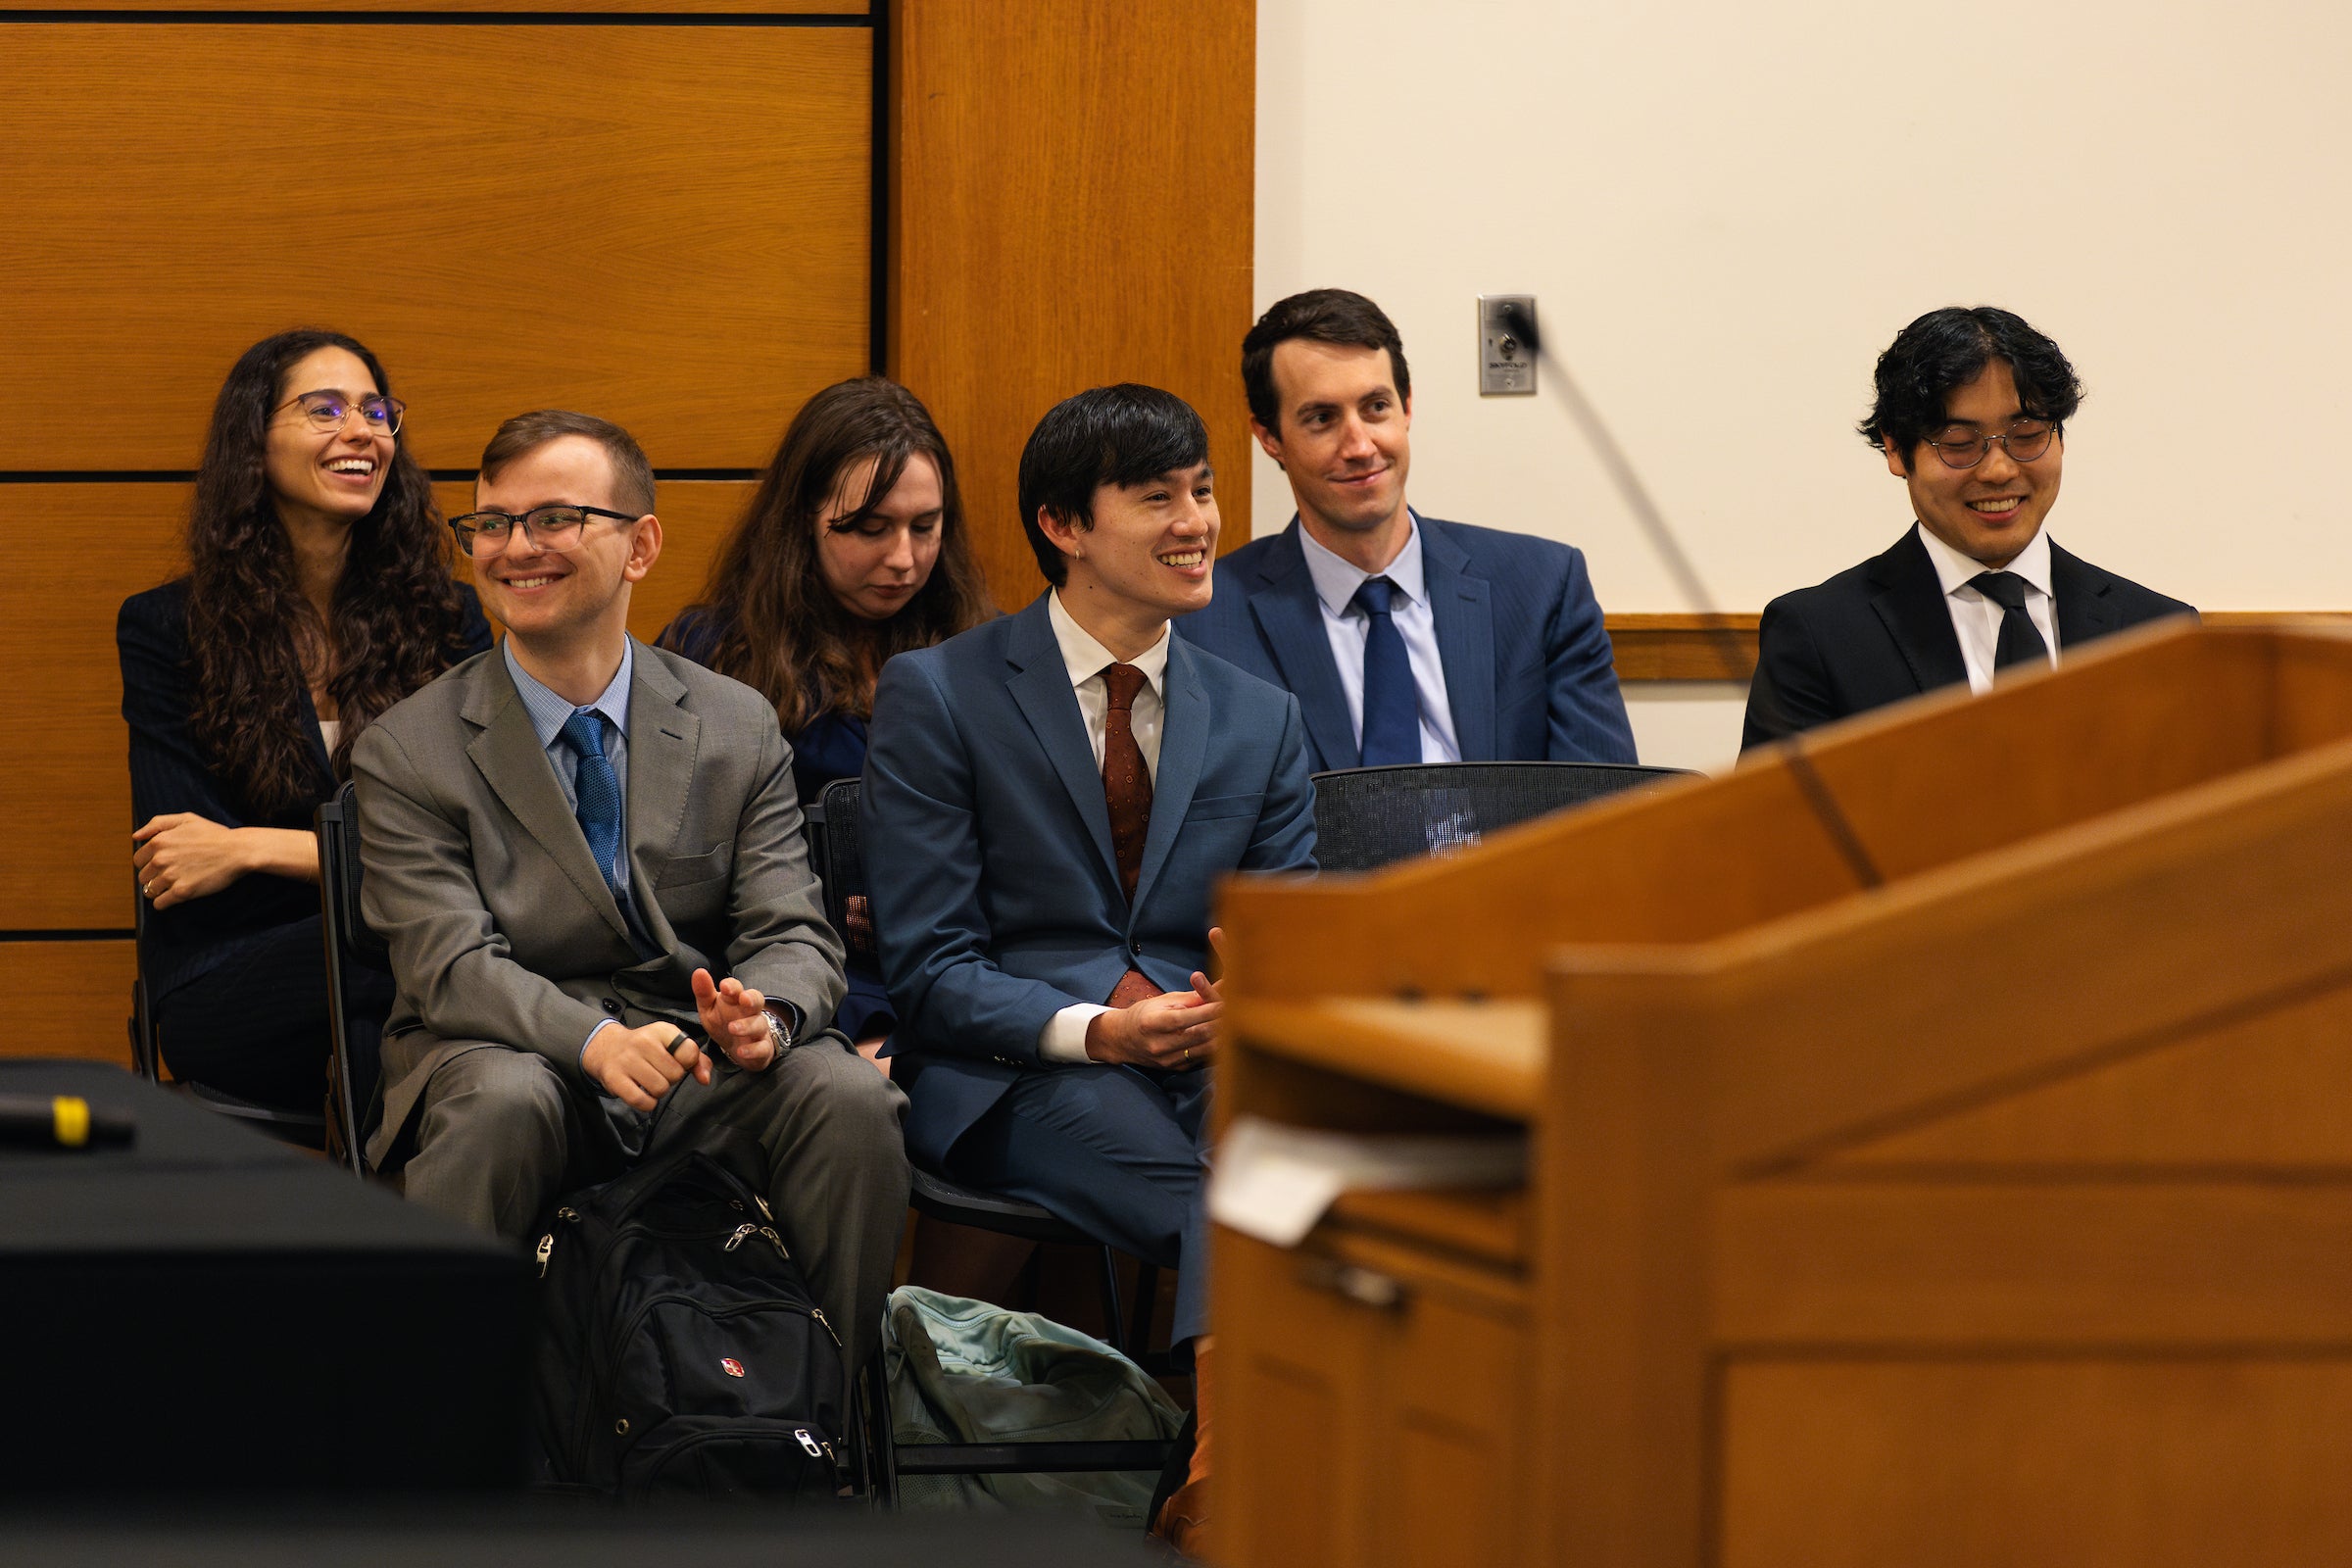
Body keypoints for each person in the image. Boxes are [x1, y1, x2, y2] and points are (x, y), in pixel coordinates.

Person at [352, 410, 909, 1382]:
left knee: (849, 1096)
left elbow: (793, 932)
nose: (514, 548)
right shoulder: (409, 748)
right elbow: (449, 966)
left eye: (553, 519)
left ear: (640, 543)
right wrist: (594, 1042)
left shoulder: (732, 724)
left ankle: (820, 1433)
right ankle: (439, 1450)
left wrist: (764, 1018)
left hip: (694, 1063)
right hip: (515, 1052)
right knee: (500, 1104)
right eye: (490, 523)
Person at [860, 384, 1317, 1547]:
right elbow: (931, 964)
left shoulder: (1259, 717)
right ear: (1064, 523)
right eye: (1156, 496)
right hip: (1024, 1068)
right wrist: (1101, 1030)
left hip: (1213, 1058)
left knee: (1318, 1171)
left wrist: (1249, 990)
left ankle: (1246, 1474)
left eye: (1205, 491)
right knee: (1245, 1205)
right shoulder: (945, 694)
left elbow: (1286, 929)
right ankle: (1245, 1483)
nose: (1197, 520)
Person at [118, 328, 490, 1110]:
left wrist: (253, 848)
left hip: (411, 957)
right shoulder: (167, 629)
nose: (361, 431)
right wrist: (392, 874)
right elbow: (182, 863)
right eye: (323, 409)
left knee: (423, 983)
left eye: (376, 411)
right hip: (238, 980)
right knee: (441, 963)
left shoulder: (447, 621)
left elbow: (471, 844)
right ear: (254, 441)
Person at [658, 377, 994, 1065]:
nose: (903, 558)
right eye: (868, 529)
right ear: (802, 521)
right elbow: (676, 868)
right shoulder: (716, 653)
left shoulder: (979, 652)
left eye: (924, 527)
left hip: (955, 960)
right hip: (783, 971)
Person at [1176, 287, 1637, 770]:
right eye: (1322, 418)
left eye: (1376, 407)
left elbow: (1606, 805)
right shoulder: (1205, 619)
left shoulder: (1543, 584)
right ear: (1270, 438)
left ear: (1407, 406)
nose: (1359, 446)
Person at [1741, 306, 2197, 751]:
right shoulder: (1818, 635)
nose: (1999, 470)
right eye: (1960, 444)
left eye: (2027, 436)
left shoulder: (2160, 631)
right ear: (1896, 449)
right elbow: (1773, 824)